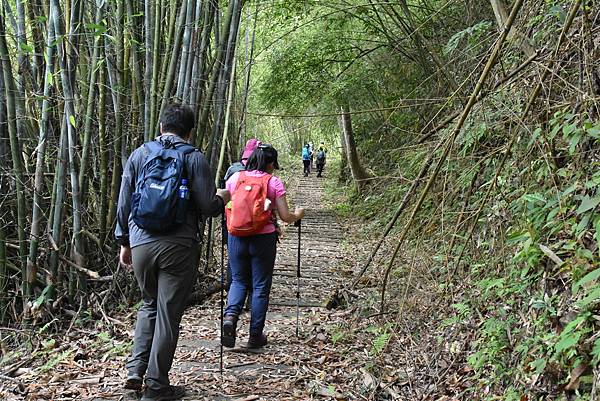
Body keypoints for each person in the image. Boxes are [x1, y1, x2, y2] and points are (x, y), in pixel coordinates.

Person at [115, 103, 230, 401]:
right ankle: (155, 387)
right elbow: (207, 207)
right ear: (190, 132)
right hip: (178, 246)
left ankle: (135, 372)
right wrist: (222, 198)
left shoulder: (140, 154)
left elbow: (124, 201)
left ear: (161, 127)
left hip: (141, 243)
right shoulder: (194, 157)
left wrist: (124, 242)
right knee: (167, 315)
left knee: (148, 305)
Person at [222, 144, 304, 349]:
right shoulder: (273, 182)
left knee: (238, 281)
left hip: (236, 237)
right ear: (270, 163)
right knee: (260, 287)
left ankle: (230, 317)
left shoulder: (235, 179)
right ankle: (255, 336)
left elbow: (225, 203)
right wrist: (298, 214)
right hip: (263, 240)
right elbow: (286, 217)